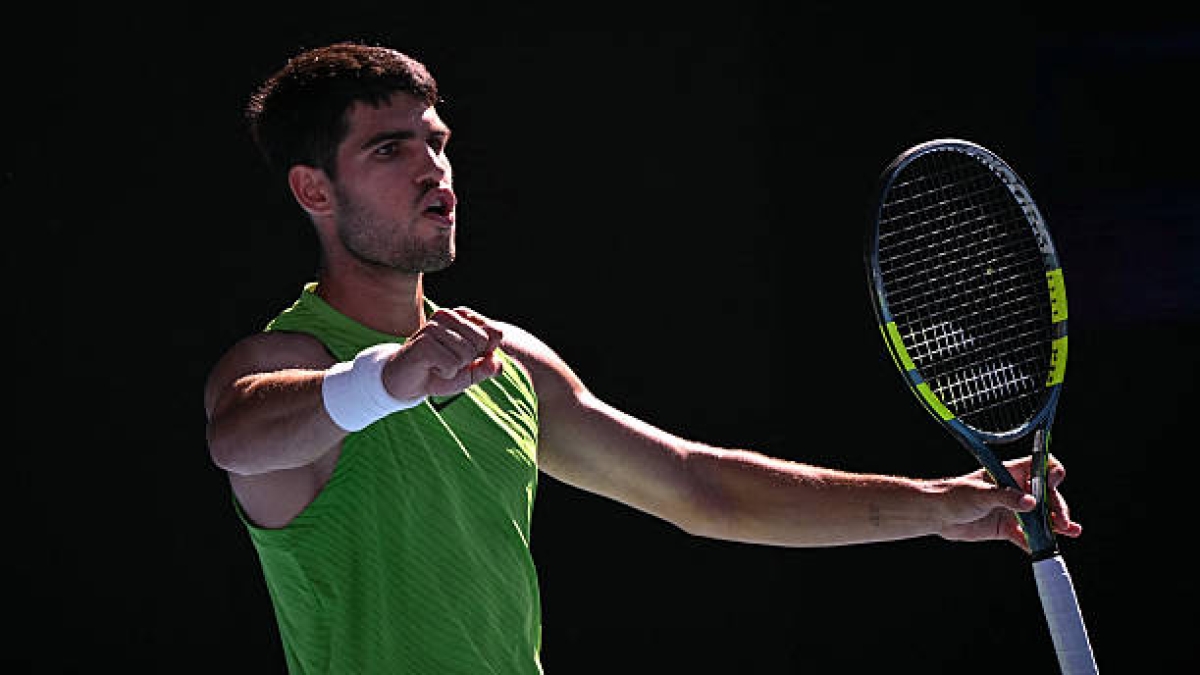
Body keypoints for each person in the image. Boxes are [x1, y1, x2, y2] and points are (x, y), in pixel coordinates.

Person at [203, 41, 1083, 674]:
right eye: (390, 149)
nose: (434, 169)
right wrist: (386, 379)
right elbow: (239, 438)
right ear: (314, 189)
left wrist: (941, 504)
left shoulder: (507, 362)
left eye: (437, 141)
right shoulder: (290, 357)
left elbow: (700, 487)